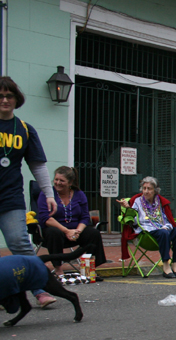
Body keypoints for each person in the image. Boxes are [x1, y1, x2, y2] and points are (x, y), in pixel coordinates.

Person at [0, 76, 58, 307]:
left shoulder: (24, 129)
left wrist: (49, 194)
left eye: (9, 96)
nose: (5, 100)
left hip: (10, 197)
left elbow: (38, 165)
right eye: (1, 96)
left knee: (20, 242)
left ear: (17, 99)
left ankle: (41, 290)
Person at [37, 166, 107, 277]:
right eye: (56, 179)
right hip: (54, 232)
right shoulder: (46, 194)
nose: (58, 183)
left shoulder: (79, 194)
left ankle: (88, 268)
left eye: (62, 180)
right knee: (54, 233)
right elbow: (45, 218)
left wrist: (77, 231)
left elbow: (85, 217)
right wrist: (66, 231)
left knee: (93, 233)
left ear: (70, 182)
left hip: (75, 231)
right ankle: (58, 269)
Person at [118, 177, 176, 278]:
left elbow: (167, 219)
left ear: (155, 190)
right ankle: (166, 265)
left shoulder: (161, 202)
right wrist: (128, 208)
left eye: (149, 189)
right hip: (147, 232)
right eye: (144, 188)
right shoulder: (137, 201)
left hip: (162, 228)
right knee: (163, 233)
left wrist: (165, 227)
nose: (146, 191)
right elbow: (133, 218)